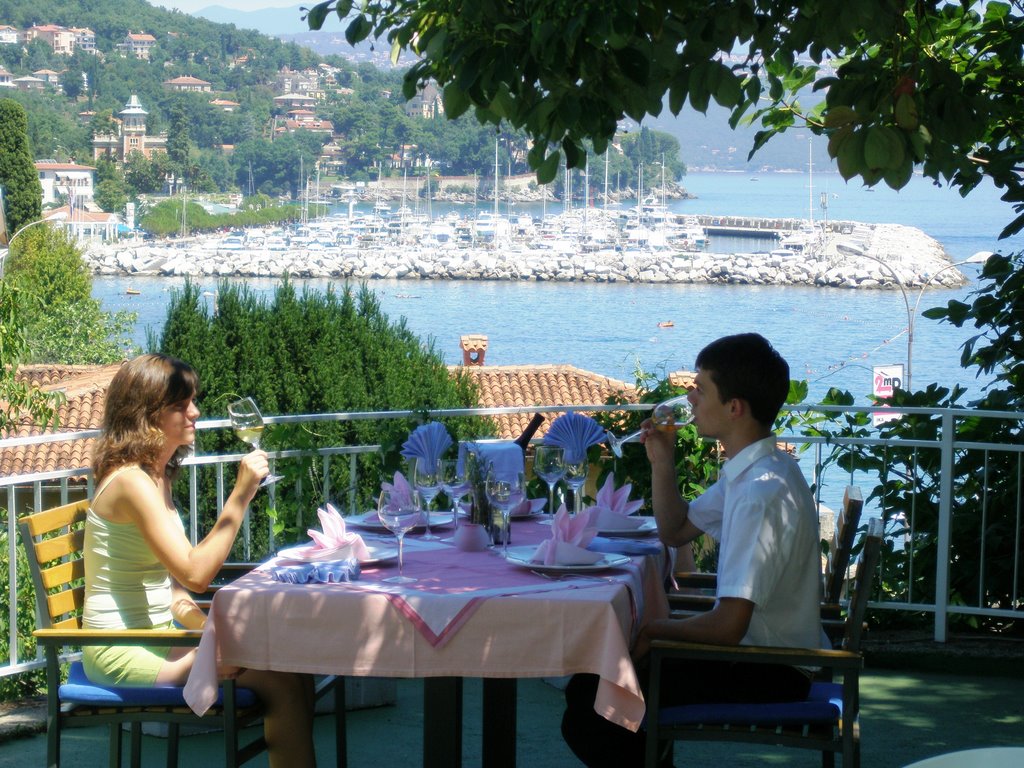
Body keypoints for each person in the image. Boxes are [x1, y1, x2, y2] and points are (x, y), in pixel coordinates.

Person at [562, 333, 823, 767]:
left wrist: (653, 631)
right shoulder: (758, 470)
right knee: (591, 691)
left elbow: (728, 627)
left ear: (734, 407)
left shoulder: (760, 492)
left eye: (700, 388)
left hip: (769, 669)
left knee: (591, 709)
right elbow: (676, 529)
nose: (689, 395)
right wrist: (662, 460)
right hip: (761, 657)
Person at [84, 353, 315, 767]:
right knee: (280, 679)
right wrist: (241, 494)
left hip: (157, 639)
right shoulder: (132, 483)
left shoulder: (156, 476)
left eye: (192, 400)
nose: (195, 411)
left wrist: (208, 628)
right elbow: (195, 574)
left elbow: (174, 594)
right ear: (147, 415)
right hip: (119, 652)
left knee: (291, 669)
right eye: (181, 405)